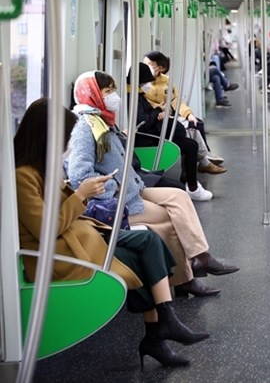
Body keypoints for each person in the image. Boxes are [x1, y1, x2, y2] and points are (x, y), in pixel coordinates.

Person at [14, 98, 211, 368]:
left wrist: (81, 194)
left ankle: (164, 322)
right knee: (140, 254)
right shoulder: (23, 176)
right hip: (60, 252)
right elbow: (45, 230)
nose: (65, 146)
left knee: (149, 240)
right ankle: (159, 332)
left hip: (79, 237)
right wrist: (81, 194)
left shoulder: (42, 168)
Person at [67, 70, 239, 298]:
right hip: (117, 201)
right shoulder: (84, 128)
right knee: (169, 220)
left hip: (133, 189)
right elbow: (79, 175)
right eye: (107, 91)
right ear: (92, 95)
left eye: (112, 90)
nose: (113, 96)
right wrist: (113, 188)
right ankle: (185, 278)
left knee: (179, 197)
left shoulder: (102, 121)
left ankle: (201, 257)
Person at [128, 62, 221, 201]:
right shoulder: (133, 98)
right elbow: (143, 124)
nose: (149, 85)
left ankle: (195, 176)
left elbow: (148, 115)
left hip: (156, 133)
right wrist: (156, 112)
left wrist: (158, 111)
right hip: (149, 139)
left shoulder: (138, 94)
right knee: (191, 145)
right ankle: (193, 186)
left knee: (191, 136)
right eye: (146, 82)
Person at [142, 51, 230, 161]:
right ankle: (204, 159)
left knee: (196, 123)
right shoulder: (142, 83)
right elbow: (144, 103)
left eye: (149, 64)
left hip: (168, 113)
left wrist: (188, 114)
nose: (145, 67)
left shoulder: (166, 81)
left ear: (160, 68)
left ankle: (204, 156)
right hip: (155, 117)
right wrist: (160, 108)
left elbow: (176, 100)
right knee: (188, 130)